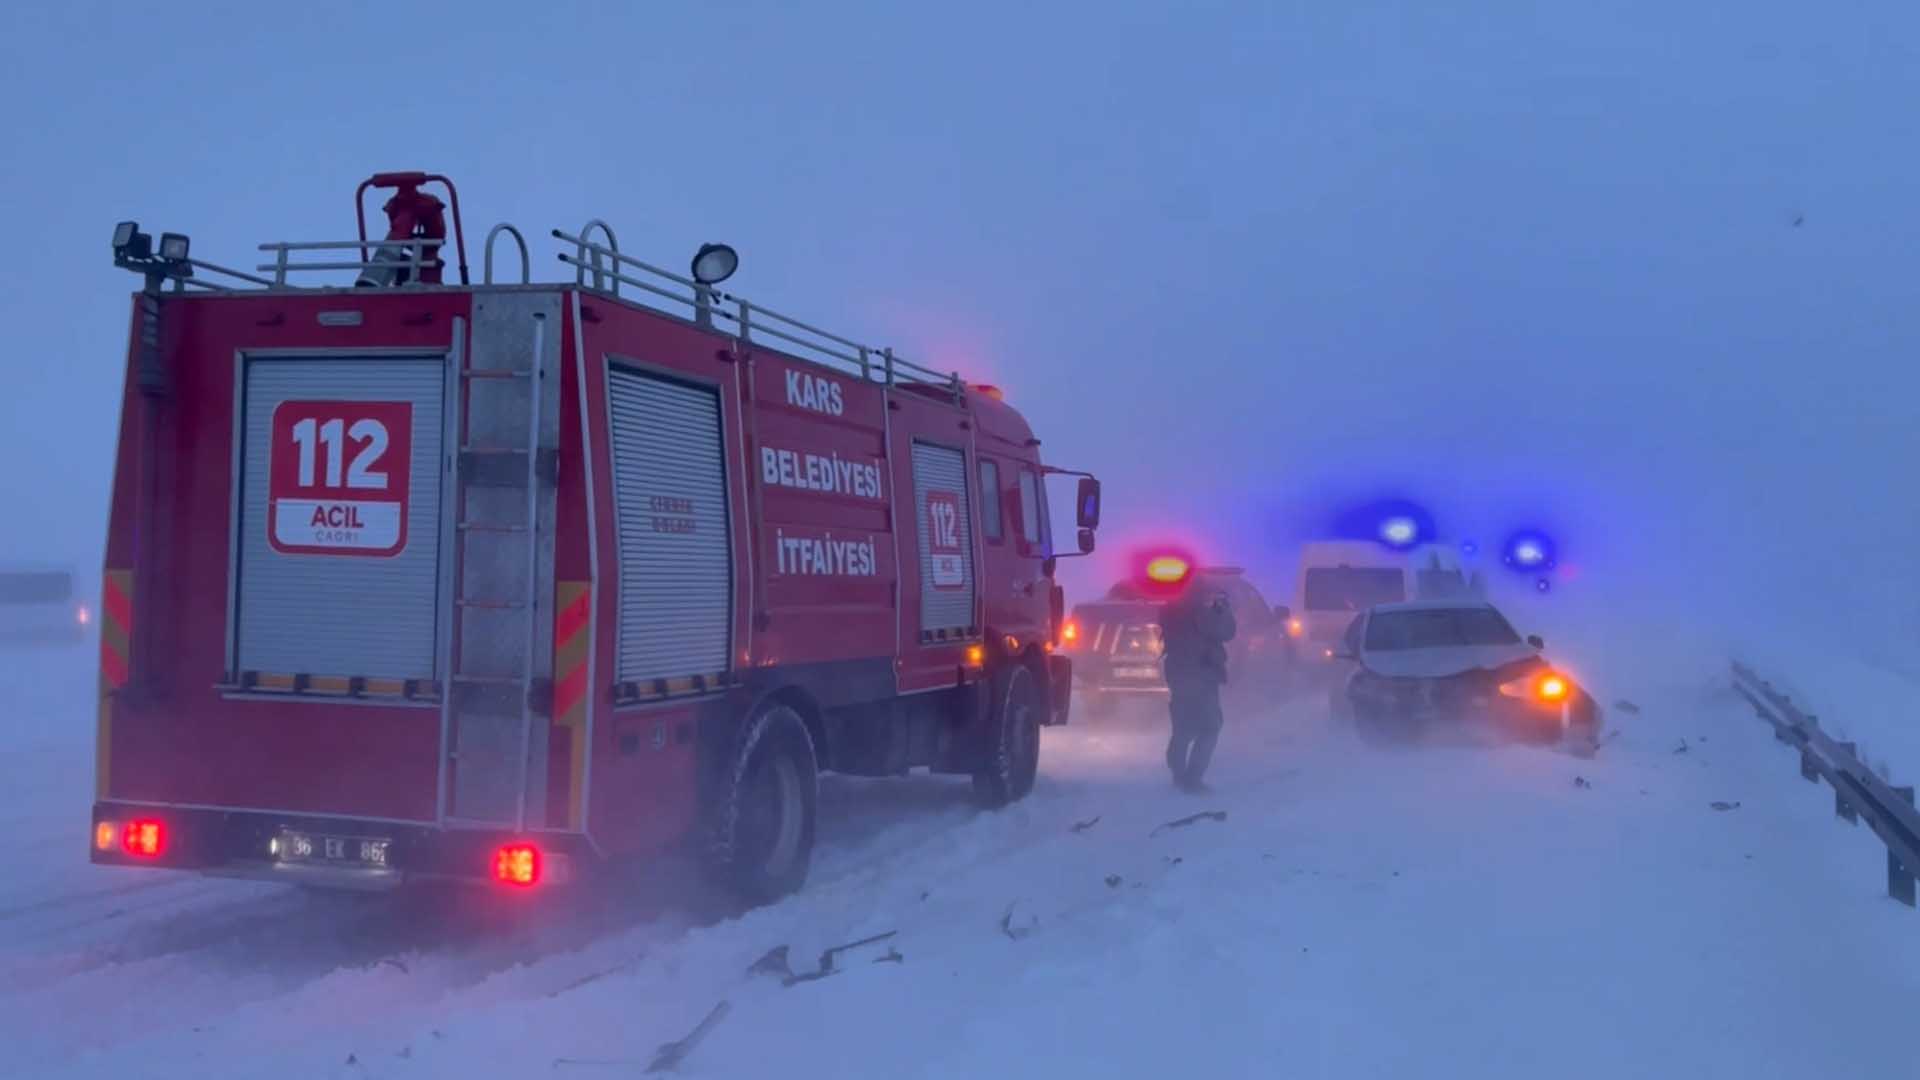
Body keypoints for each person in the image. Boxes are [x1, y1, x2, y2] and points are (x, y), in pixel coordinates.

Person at [1159, 582, 1237, 792]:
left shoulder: (1169, 611)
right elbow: (1228, 631)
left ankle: (1178, 774)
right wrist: (1222, 608)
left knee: (1183, 727)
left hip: (1179, 675)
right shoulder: (1201, 613)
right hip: (1203, 676)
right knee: (1211, 727)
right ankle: (1192, 778)